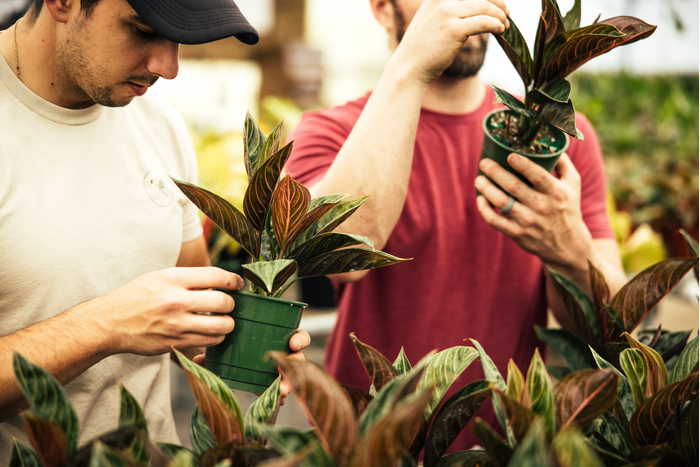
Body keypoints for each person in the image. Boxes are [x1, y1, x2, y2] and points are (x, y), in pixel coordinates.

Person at [285, 0, 627, 449]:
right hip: (370, 441)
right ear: (383, 10)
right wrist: (410, 65)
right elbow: (340, 258)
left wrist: (568, 248)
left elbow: (615, 327)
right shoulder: (331, 131)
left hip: (507, 442)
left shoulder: (554, 140)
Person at [0, 0, 310, 459]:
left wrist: (244, 344)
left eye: (180, 37)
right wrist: (108, 325)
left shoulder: (160, 125)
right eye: (143, 31)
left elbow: (191, 313)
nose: (168, 67)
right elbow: (128, 319)